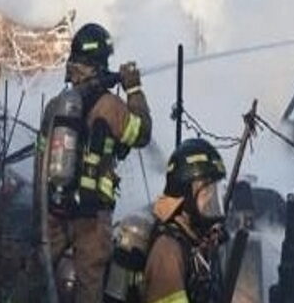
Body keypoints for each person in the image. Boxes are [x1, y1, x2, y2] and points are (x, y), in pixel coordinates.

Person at [38, 22, 153, 303]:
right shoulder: (110, 106)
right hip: (91, 215)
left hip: (53, 208)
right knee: (89, 286)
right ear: (101, 61)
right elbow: (142, 133)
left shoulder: (56, 106)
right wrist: (134, 89)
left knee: (40, 274)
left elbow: (41, 159)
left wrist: (42, 206)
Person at [144, 138, 227, 303]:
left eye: (214, 193)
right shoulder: (168, 252)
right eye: (206, 193)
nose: (212, 202)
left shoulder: (195, 241)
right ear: (186, 197)